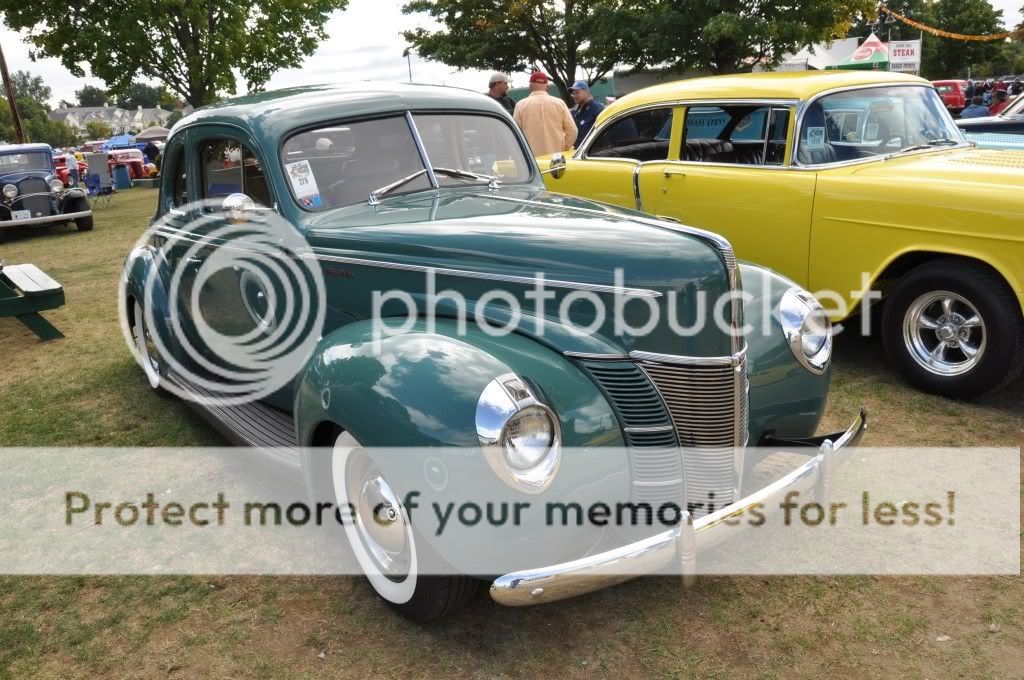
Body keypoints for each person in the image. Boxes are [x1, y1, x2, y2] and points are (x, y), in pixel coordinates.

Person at [512, 71, 577, 156]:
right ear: (547, 86)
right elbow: (573, 131)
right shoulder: (559, 103)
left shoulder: (520, 105)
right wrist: (563, 148)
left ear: (530, 85)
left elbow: (514, 134)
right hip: (556, 159)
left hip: (532, 160)